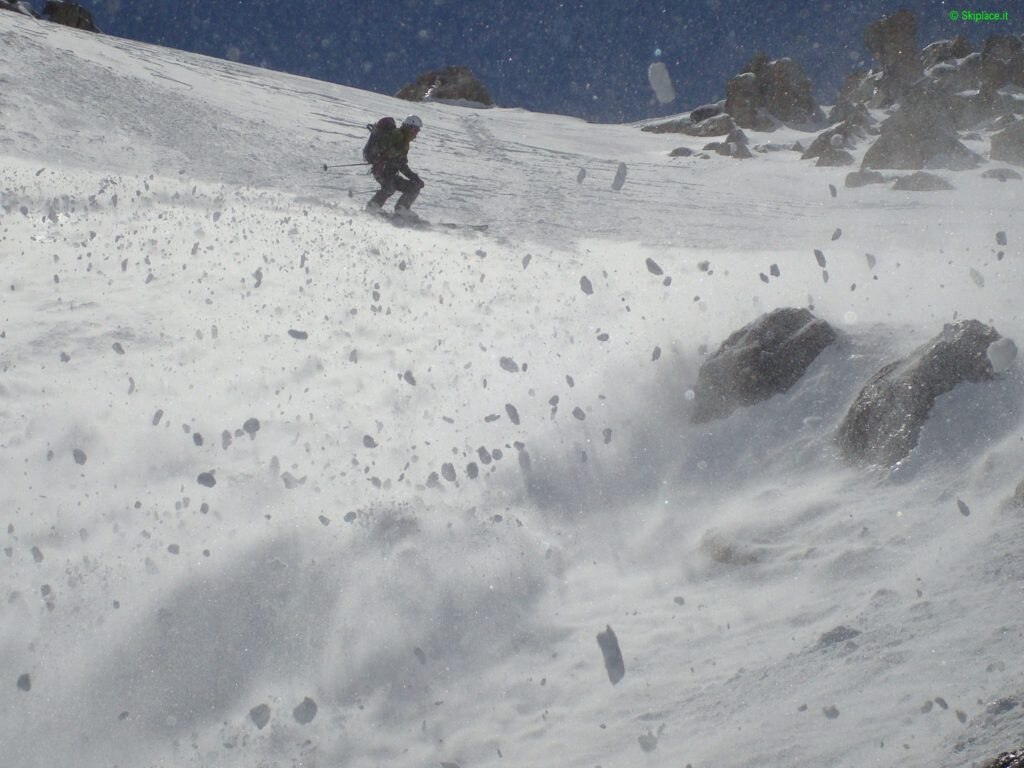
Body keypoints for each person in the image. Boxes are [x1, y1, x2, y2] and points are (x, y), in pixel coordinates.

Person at [366, 115, 425, 216]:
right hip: (381, 170)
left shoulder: (405, 142)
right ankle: (373, 207)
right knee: (390, 186)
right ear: (410, 128)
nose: (416, 134)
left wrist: (414, 177)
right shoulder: (396, 135)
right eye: (416, 130)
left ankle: (401, 210)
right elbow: (386, 152)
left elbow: (401, 163)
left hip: (390, 173)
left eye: (417, 131)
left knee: (414, 187)